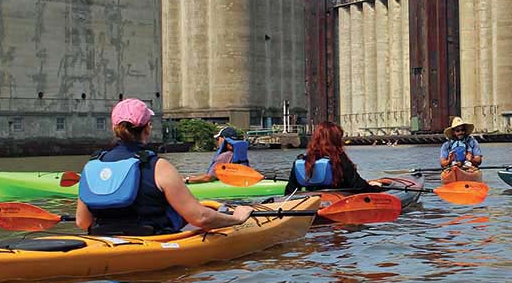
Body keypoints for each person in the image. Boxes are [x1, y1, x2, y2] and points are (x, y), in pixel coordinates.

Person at [75, 99, 252, 235]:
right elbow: (200, 217)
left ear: (115, 129)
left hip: (103, 239)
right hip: (152, 241)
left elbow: (83, 222)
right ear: (147, 129)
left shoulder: (93, 165)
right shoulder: (159, 166)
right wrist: (237, 218)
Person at [286, 121, 382, 195]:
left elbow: (290, 191)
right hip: (338, 199)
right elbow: (358, 186)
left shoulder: (302, 160)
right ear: (336, 140)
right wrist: (376, 188)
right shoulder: (338, 158)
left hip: (312, 201)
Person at [185, 126, 250, 184]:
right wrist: (193, 177)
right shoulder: (234, 154)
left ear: (223, 139)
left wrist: (187, 180)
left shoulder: (224, 156)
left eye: (217, 139)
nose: (217, 141)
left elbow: (208, 178)